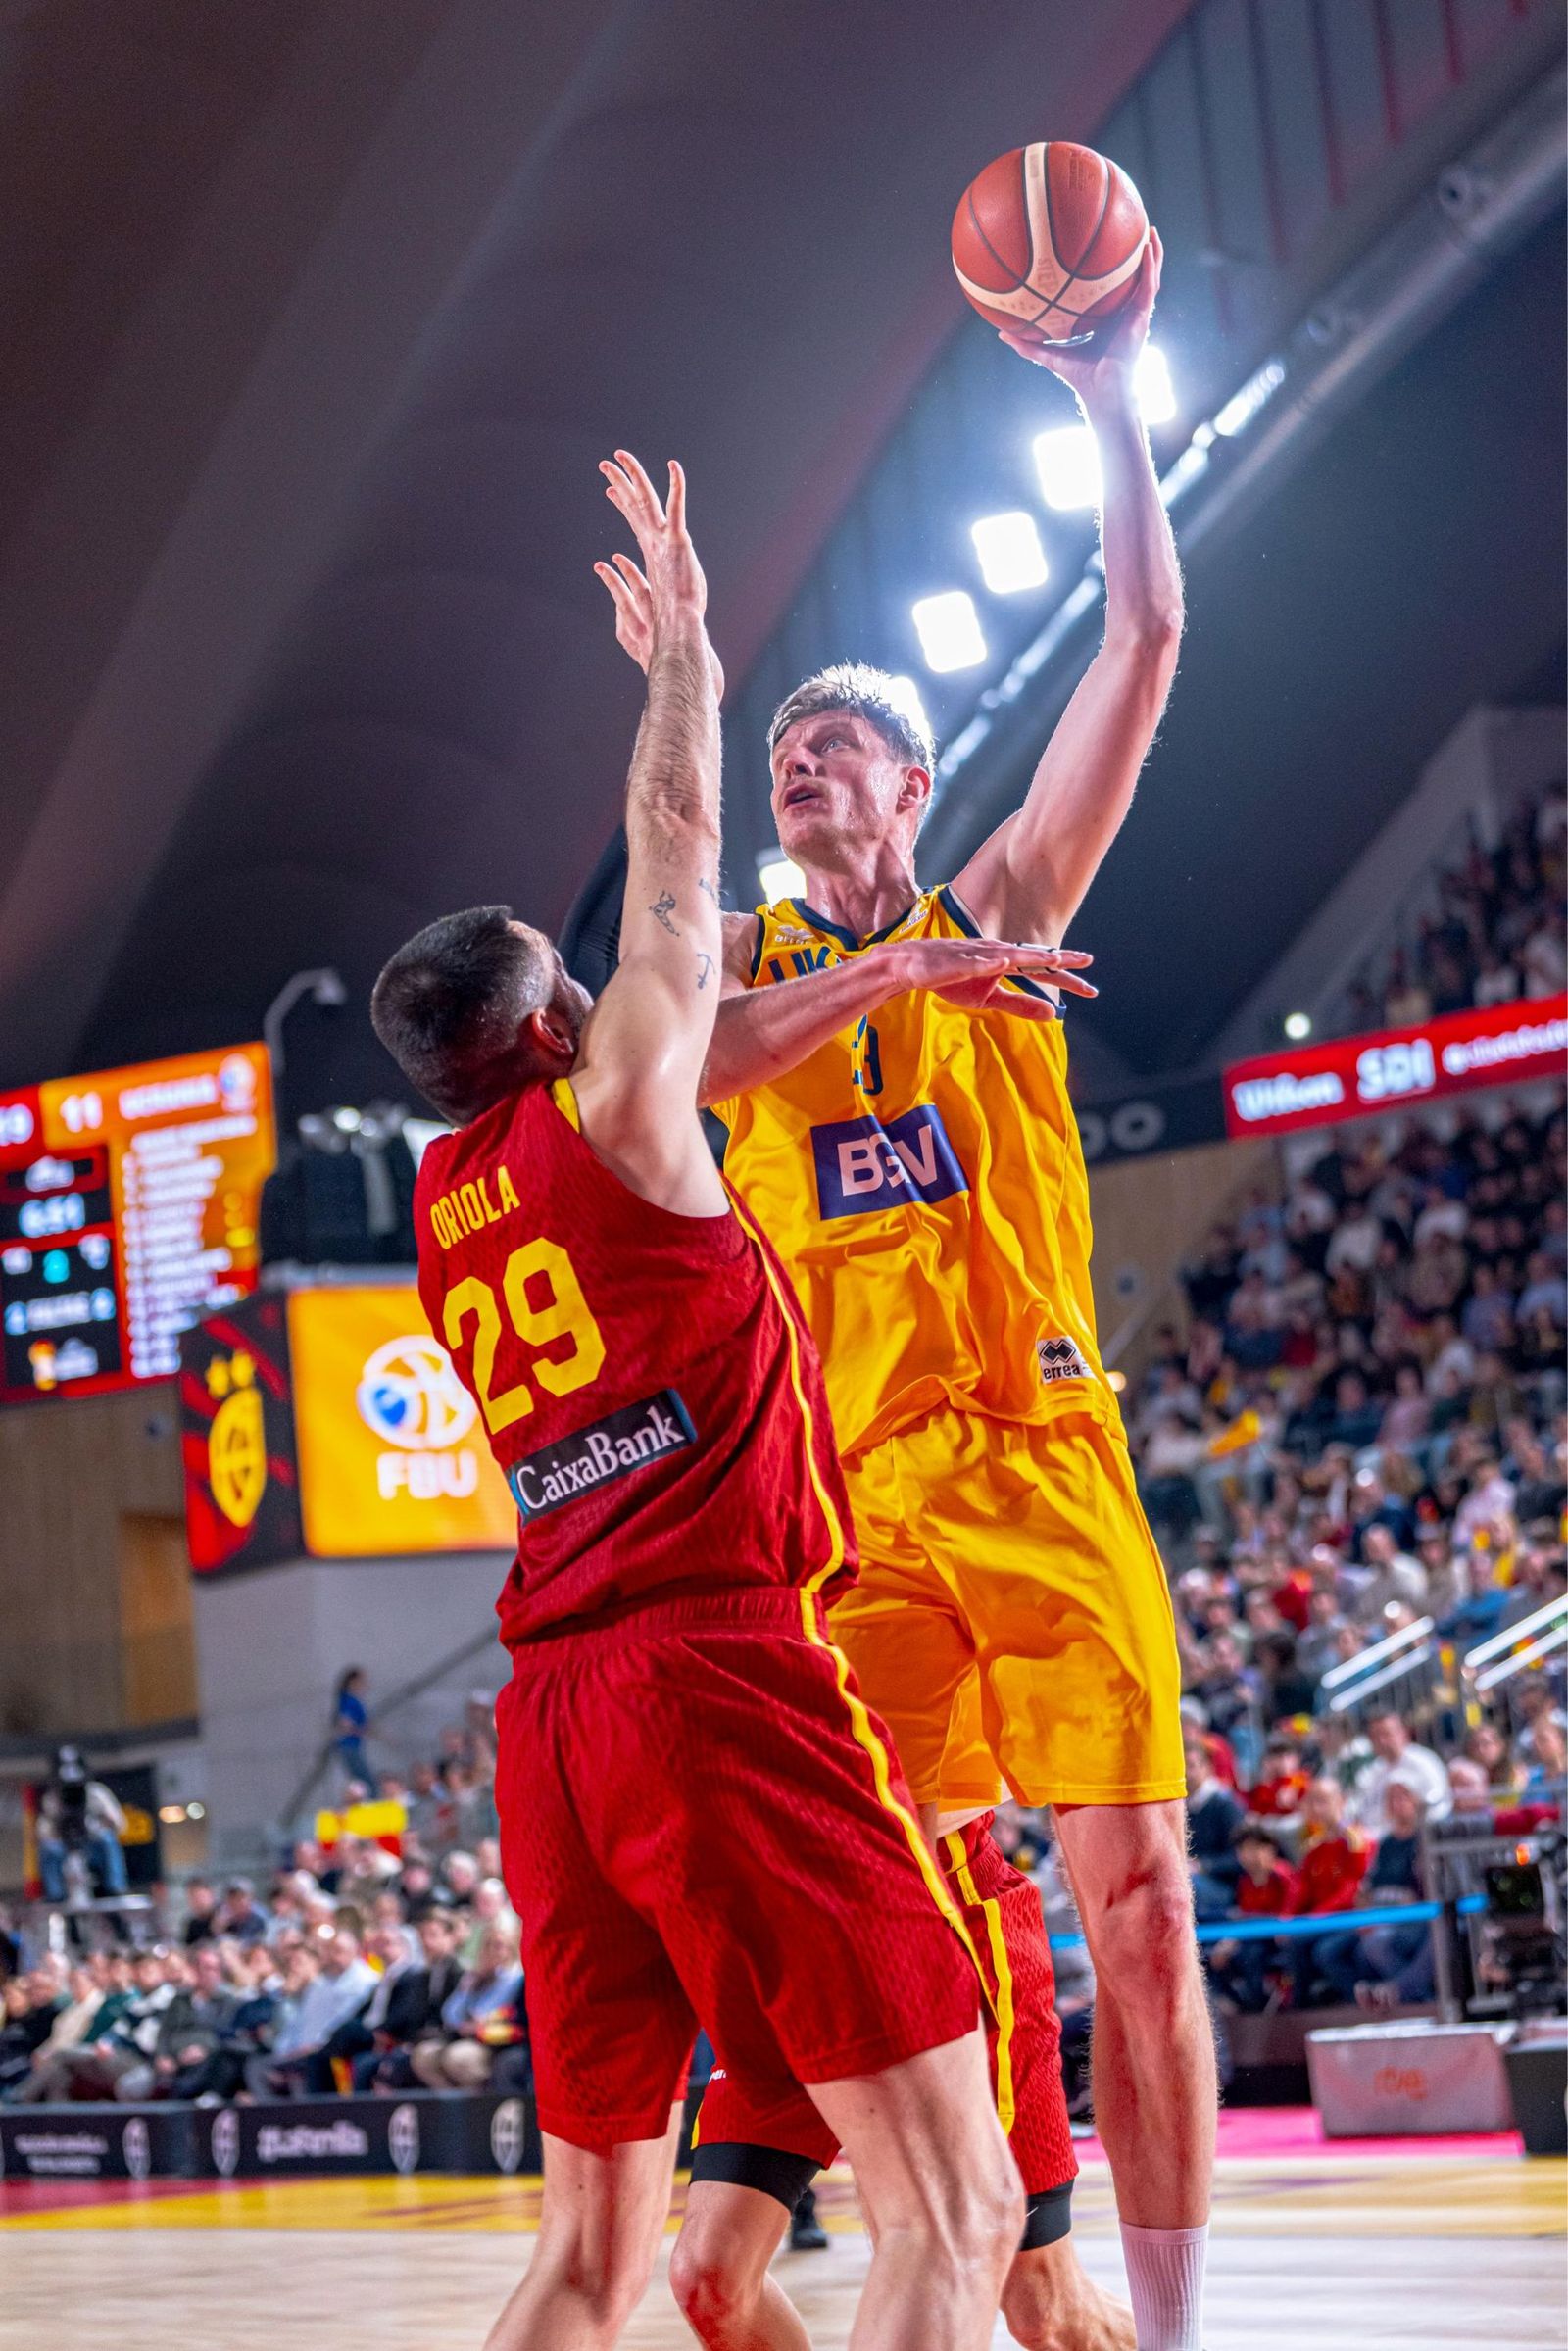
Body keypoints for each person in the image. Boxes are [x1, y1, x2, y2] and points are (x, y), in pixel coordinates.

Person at [370, 452, 1054, 2351]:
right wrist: (685, 652)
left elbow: (705, 1044)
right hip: (720, 1675)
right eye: (575, 977)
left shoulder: (451, 1199)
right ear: (554, 1026)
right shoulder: (613, 1099)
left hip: (552, 1725)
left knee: (586, 2263)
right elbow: (675, 828)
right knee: (954, 2205)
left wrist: (895, 967)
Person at [601, 230, 1209, 2351]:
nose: (803, 761)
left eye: (838, 740)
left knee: (1138, 1901)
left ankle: (1152, 2311)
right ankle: (1004, 2262)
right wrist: (688, 677)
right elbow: (672, 1043)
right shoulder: (742, 968)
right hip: (847, 1508)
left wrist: (1104, 399)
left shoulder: (1007, 900)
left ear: (913, 787)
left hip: (1034, 1454)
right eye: (784, 749)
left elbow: (1144, 634)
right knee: (931, 1915)